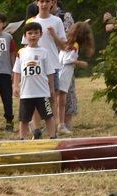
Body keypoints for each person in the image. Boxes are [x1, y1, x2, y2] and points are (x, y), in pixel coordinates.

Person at [21, 0, 66, 139]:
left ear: (52, 3)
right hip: (34, 66)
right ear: (37, 3)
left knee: (52, 97)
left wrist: (54, 35)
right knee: (34, 98)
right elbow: (24, 46)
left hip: (52, 63)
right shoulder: (31, 21)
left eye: (47, 1)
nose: (44, 4)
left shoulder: (57, 21)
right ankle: (36, 130)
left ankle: (52, 129)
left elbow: (64, 46)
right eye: (41, 1)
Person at [14, 21, 59, 140]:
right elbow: (17, 71)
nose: (33, 35)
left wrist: (51, 89)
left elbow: (49, 72)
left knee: (48, 116)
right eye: (30, 33)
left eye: (36, 33)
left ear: (41, 34)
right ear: (25, 36)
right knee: (24, 118)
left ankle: (52, 137)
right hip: (26, 93)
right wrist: (15, 86)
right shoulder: (21, 53)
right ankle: (22, 138)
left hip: (42, 92)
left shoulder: (44, 52)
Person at [56, 21, 94, 134]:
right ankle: (61, 124)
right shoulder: (74, 46)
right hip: (64, 75)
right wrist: (79, 63)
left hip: (62, 74)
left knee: (60, 101)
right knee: (61, 102)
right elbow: (66, 60)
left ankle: (59, 123)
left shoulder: (68, 44)